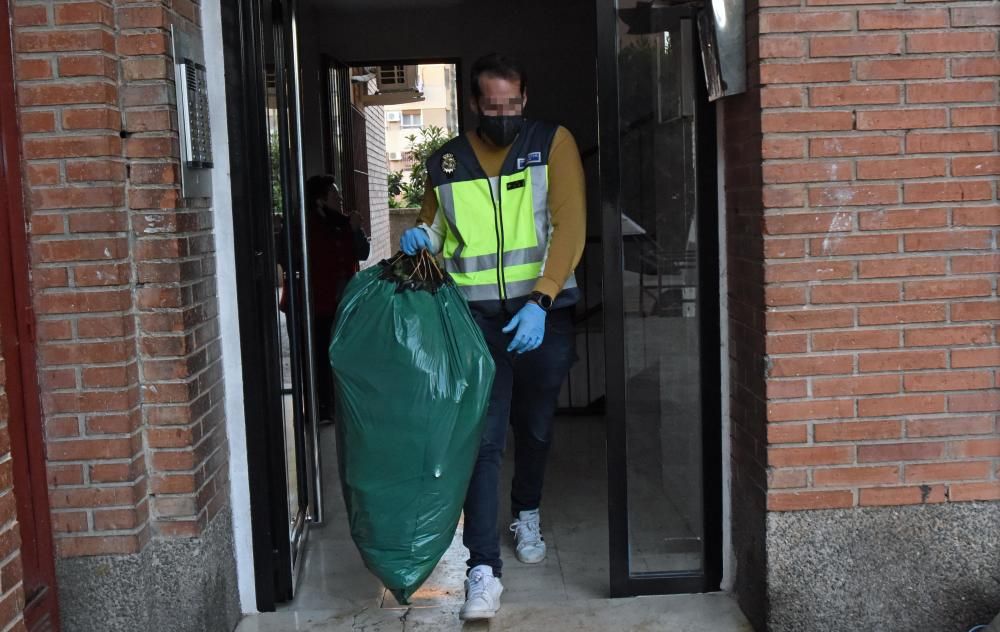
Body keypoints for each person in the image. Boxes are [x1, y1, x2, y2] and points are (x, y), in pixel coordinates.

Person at [400, 52, 585, 621]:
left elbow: (569, 226)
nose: (502, 114)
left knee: (535, 427)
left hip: (541, 316)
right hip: (475, 322)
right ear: (475, 103)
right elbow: (436, 226)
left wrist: (541, 299)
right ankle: (483, 568)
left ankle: (525, 509)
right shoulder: (447, 162)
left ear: (523, 101)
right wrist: (421, 240)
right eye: (492, 105)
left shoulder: (551, 144)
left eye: (512, 104)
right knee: (482, 443)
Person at [304, 175, 369, 422]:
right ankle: (320, 407)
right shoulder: (307, 225)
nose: (340, 199)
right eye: (334, 195)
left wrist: (356, 231)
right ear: (320, 201)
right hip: (317, 304)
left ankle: (341, 406)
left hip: (342, 303)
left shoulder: (345, 224)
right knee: (318, 357)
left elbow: (362, 253)